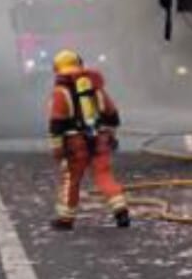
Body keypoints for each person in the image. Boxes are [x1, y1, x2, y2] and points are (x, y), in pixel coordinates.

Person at [48, 50, 130, 229]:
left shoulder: (60, 92)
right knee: (104, 175)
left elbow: (56, 124)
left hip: (74, 144)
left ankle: (65, 219)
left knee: (72, 179)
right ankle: (120, 209)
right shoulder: (96, 88)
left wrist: (57, 149)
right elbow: (113, 116)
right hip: (100, 139)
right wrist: (111, 137)